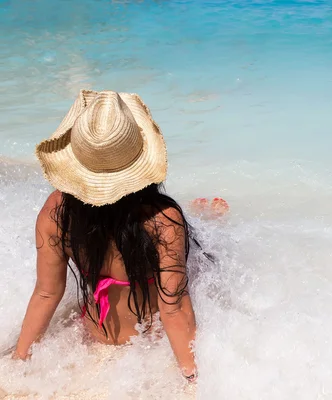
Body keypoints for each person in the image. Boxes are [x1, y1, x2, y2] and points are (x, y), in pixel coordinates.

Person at [12, 90, 203, 383]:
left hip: (92, 338)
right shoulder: (161, 221)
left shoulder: (57, 211)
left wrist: (19, 363)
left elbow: (47, 293)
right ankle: (210, 218)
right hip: (145, 350)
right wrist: (193, 379)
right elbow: (173, 308)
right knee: (204, 253)